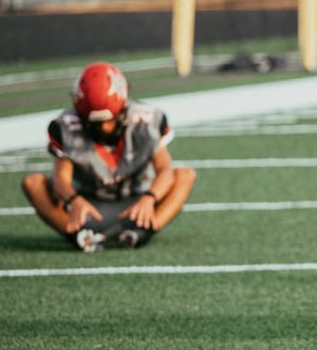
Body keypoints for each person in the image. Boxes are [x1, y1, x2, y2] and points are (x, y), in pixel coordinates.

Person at [21, 62, 197, 252]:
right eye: (94, 123)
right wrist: (74, 200)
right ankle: (77, 234)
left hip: (137, 204)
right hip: (89, 207)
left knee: (185, 175)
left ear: (123, 108)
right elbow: (60, 178)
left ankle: (144, 230)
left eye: (109, 121)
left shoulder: (148, 121)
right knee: (33, 183)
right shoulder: (65, 127)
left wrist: (149, 198)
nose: (103, 128)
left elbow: (165, 170)